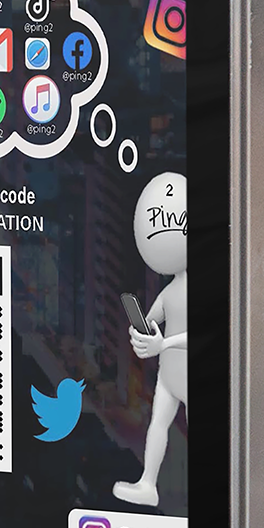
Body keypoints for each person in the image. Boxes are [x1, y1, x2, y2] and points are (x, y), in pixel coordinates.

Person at [113, 170, 187, 510]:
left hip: (185, 374)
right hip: (168, 378)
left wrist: (163, 345)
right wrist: (139, 330)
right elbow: (152, 319)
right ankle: (148, 483)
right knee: (157, 425)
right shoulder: (171, 289)